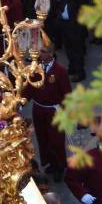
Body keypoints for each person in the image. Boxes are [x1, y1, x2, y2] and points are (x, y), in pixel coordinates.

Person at [24, 43, 71, 180]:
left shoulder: (60, 71)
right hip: (38, 109)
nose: (40, 54)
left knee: (55, 139)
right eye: (39, 51)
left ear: (51, 53)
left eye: (43, 51)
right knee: (42, 137)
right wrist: (23, 100)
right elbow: (30, 87)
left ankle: (59, 167)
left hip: (54, 111)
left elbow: (67, 93)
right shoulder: (35, 68)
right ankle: (50, 162)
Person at [53, 0, 88, 81]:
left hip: (76, 25)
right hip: (64, 23)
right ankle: (72, 67)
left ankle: (80, 73)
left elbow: (81, 0)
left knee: (77, 50)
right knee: (68, 48)